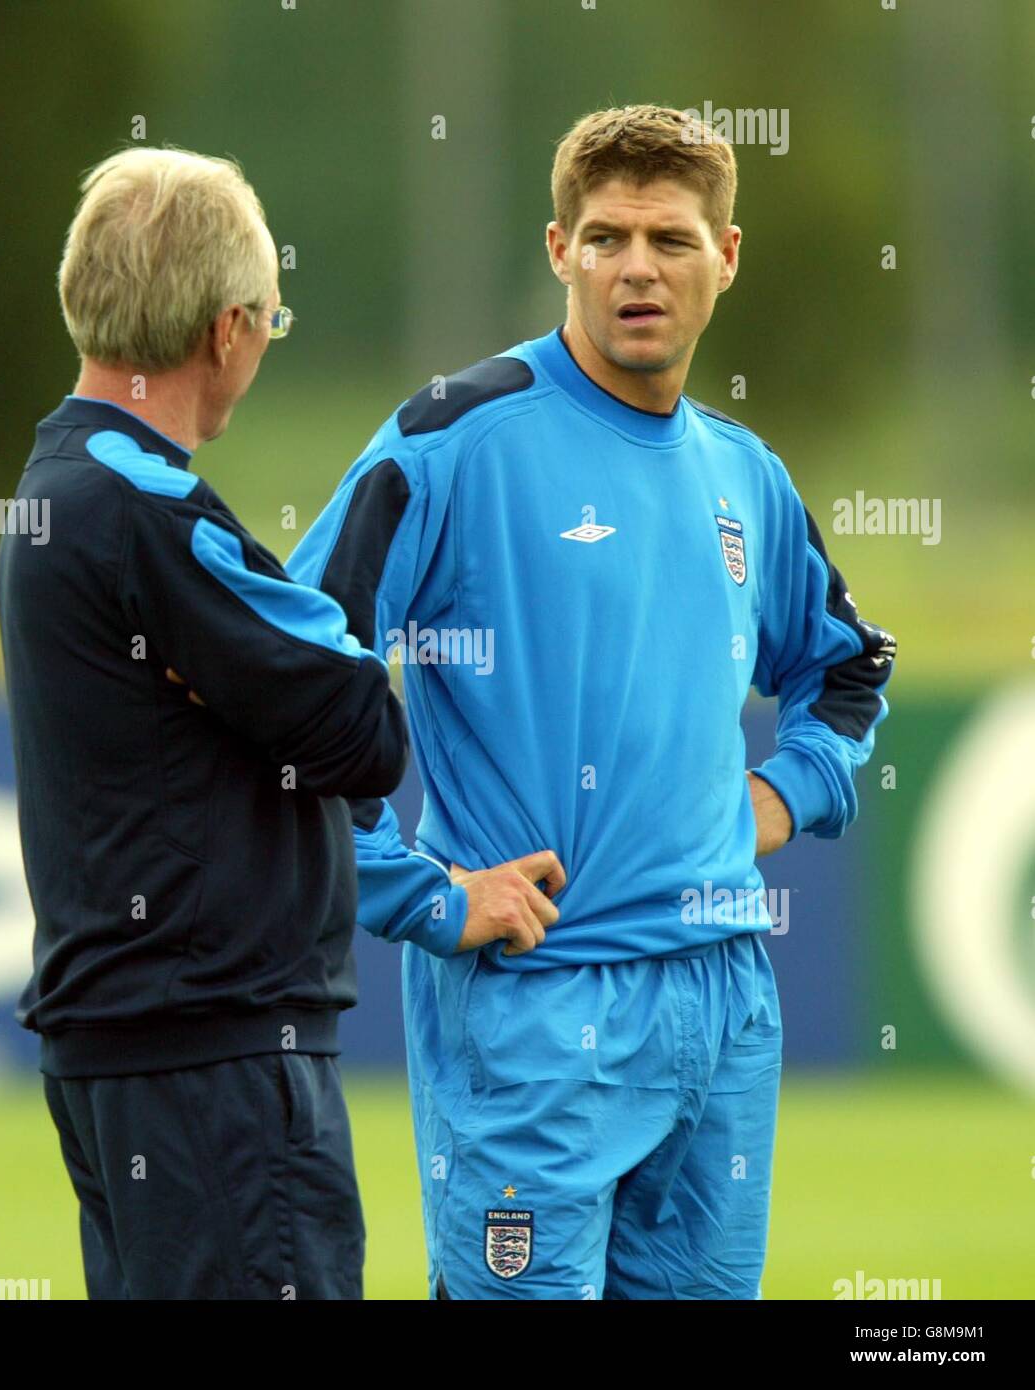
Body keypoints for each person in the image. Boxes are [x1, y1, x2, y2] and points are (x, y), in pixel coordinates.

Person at [287, 104, 897, 1299]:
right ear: (557, 248)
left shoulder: (744, 475)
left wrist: (779, 798)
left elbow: (845, 668)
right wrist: (415, 891)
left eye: (669, 239)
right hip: (530, 1005)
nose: (635, 267)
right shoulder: (452, 438)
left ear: (724, 258)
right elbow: (293, 664)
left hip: (720, 1005)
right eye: (605, 236)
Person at [0, 146, 411, 1299]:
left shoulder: (56, 480)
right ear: (227, 327)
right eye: (269, 326)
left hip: (126, 1054)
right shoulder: (151, 507)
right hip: (214, 1063)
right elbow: (362, 729)